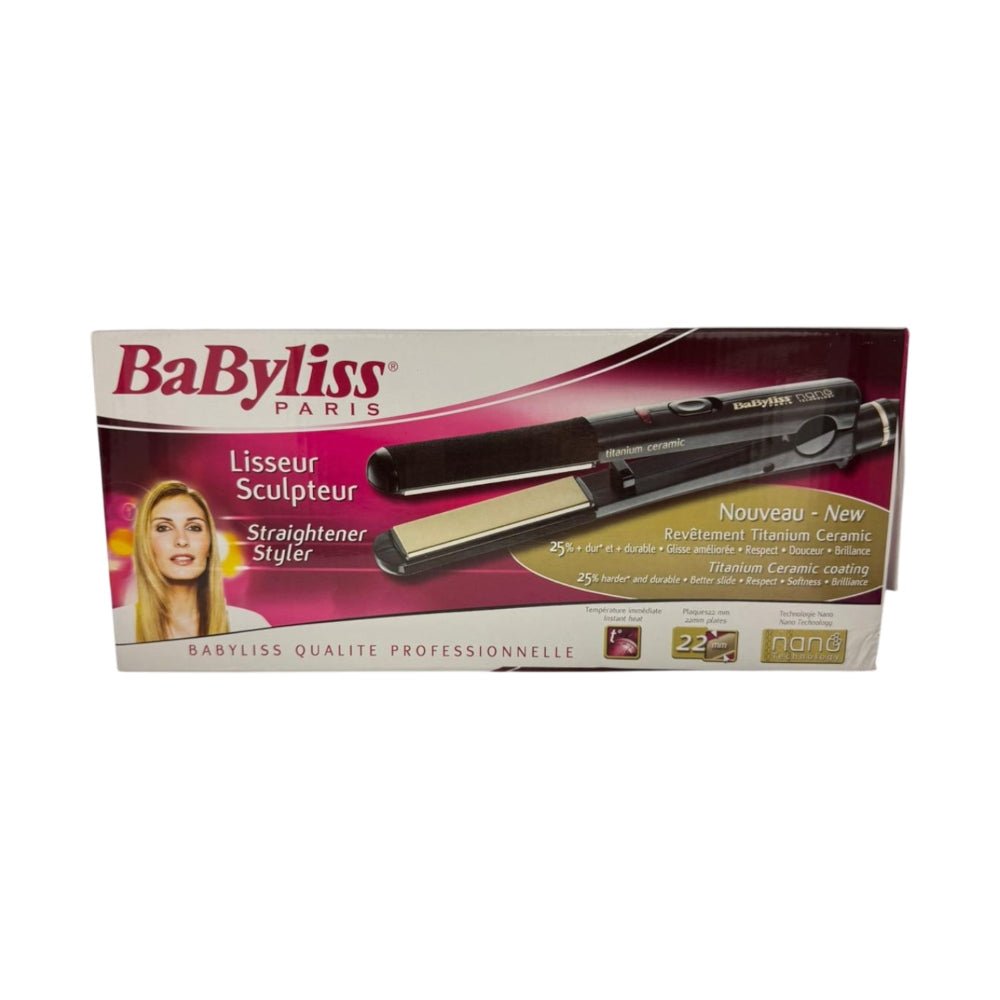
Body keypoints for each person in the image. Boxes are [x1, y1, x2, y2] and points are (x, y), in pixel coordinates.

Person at [112, 481, 268, 642]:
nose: (181, 540)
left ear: (210, 543)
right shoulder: (117, 628)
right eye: (163, 528)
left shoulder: (250, 627)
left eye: (194, 527)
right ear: (144, 544)